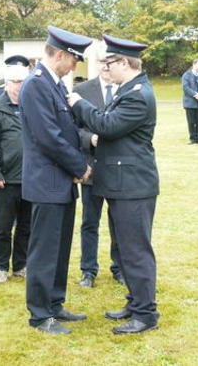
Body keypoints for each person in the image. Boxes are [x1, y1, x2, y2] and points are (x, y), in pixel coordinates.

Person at [68, 33, 160, 335]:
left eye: (109, 63)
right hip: (124, 183)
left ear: (124, 62)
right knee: (128, 248)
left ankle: (146, 314)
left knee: (135, 251)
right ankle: (135, 304)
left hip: (133, 185)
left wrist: (79, 103)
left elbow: (107, 125)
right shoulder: (130, 88)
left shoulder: (137, 94)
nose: (105, 69)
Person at [19, 26, 93, 335]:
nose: (76, 66)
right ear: (60, 55)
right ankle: (39, 314)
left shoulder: (54, 84)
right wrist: (80, 166)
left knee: (60, 247)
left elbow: (67, 130)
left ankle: (54, 304)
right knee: (45, 249)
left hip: (59, 181)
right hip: (48, 180)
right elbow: (49, 138)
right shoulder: (37, 85)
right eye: (74, 59)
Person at [72, 55, 123, 288]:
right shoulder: (81, 90)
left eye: (109, 62)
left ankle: (119, 268)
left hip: (118, 169)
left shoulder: (127, 89)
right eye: (101, 61)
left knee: (118, 222)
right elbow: (72, 128)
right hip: (91, 167)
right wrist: (89, 139)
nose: (105, 66)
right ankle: (88, 270)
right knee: (89, 222)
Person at [0, 64, 31, 284]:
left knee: (26, 226)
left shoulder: (33, 106)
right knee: (2, 226)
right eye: (15, 82)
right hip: (5, 179)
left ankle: (21, 265)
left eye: (23, 82)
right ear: (7, 83)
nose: (19, 86)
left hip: (30, 178)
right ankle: (0, 266)